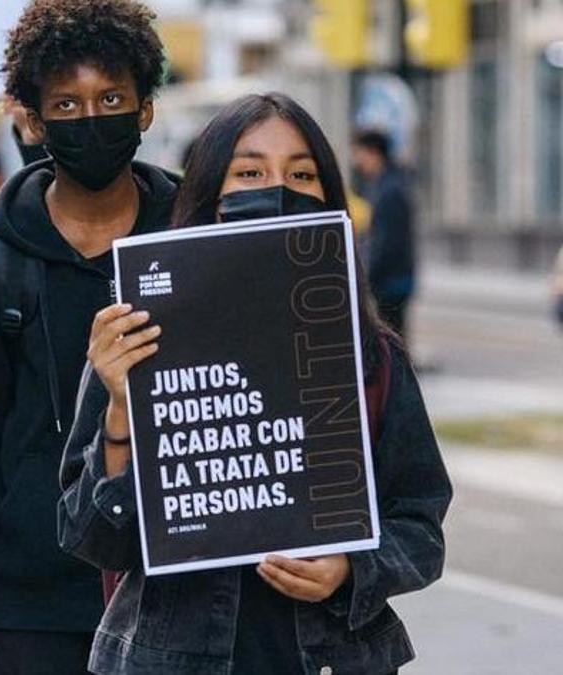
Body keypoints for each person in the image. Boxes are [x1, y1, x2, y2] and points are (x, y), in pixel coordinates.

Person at [59, 93, 452, 674]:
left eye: (300, 173)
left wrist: (350, 568)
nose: (276, 187)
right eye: (249, 172)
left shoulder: (372, 355)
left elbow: (421, 525)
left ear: (329, 197)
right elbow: (90, 537)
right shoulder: (136, 338)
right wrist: (121, 410)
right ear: (209, 195)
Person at [0, 1, 179, 672]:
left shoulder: (193, 240)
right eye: (67, 105)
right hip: (32, 613)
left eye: (112, 97)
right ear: (33, 121)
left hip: (176, 596)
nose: (92, 118)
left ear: (145, 109)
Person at [351, 129, 416, 337]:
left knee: (393, 339)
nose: (356, 160)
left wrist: (366, 277)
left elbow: (385, 241)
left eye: (358, 153)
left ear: (373, 153)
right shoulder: (380, 184)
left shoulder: (389, 190)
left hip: (392, 281)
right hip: (390, 279)